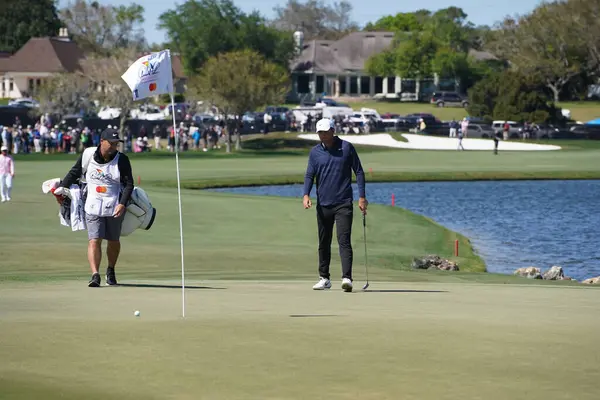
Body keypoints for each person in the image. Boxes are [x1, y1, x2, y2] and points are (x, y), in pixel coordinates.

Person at [57, 128, 134, 287]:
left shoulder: (122, 160)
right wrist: (62, 189)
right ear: (101, 142)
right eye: (111, 144)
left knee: (113, 241)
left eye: (116, 144)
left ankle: (110, 270)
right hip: (92, 204)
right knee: (94, 240)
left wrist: (122, 203)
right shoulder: (88, 155)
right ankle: (95, 275)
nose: (114, 147)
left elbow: (129, 184)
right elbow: (74, 173)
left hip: (114, 205)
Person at [303, 118, 368, 292]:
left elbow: (359, 172)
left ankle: (347, 278)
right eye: (319, 133)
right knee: (323, 242)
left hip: (343, 203)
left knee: (343, 240)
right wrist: (306, 194)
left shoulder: (346, 148)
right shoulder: (315, 152)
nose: (322, 136)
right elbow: (310, 175)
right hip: (323, 203)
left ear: (333, 130)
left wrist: (362, 197)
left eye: (325, 132)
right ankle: (324, 278)